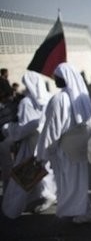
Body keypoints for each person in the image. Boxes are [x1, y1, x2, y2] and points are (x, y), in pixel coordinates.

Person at [36, 62, 91, 224]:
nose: (54, 79)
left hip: (65, 149)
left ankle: (83, 212)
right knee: (78, 181)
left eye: (56, 77)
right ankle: (84, 211)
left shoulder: (59, 99)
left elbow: (52, 129)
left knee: (71, 182)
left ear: (63, 78)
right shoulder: (79, 97)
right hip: (78, 147)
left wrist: (44, 152)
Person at [1, 71, 57, 218]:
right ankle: (46, 194)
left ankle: (12, 208)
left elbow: (23, 129)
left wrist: (9, 130)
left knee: (24, 175)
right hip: (47, 141)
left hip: (31, 144)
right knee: (45, 171)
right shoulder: (50, 98)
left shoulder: (26, 103)